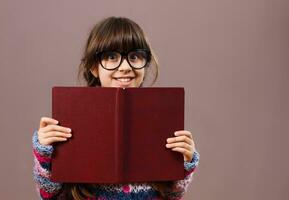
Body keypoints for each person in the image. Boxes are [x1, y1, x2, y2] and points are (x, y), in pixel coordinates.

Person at [32, 16, 200, 200]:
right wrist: (45, 151)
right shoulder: (71, 118)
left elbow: (173, 195)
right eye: (111, 57)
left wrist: (185, 162)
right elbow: (49, 195)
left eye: (135, 56)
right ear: (93, 67)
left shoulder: (161, 120)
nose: (125, 67)